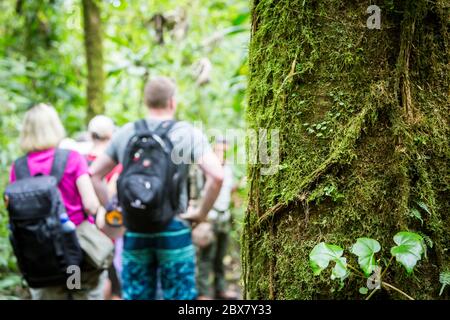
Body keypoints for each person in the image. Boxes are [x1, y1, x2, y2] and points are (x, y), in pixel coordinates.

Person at [89, 76, 224, 300]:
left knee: (137, 294)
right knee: (180, 297)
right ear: (172, 102)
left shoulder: (126, 132)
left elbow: (94, 174)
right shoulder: (187, 133)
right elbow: (217, 176)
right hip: (174, 226)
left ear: (146, 102)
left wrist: (116, 211)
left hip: (135, 228)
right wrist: (200, 213)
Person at [8, 103, 106, 300]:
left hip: (41, 258)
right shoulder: (72, 159)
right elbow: (91, 204)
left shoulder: (18, 168)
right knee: (80, 292)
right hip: (75, 256)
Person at [85, 115, 123, 300]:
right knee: (112, 279)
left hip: (86, 233)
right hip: (112, 228)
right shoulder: (117, 164)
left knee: (95, 276)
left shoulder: (79, 162)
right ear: (111, 135)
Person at [196, 138, 238, 300]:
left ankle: (220, 289)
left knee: (220, 256)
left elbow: (227, 189)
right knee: (207, 256)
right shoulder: (205, 168)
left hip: (224, 217)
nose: (221, 153)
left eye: (224, 150)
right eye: (218, 150)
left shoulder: (228, 168)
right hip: (210, 217)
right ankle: (204, 293)